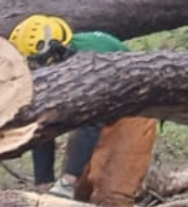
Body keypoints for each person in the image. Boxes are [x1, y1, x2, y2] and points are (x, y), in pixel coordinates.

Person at [10, 15, 129, 196]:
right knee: (81, 191)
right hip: (97, 110)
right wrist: (43, 183)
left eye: (38, 64)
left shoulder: (89, 61)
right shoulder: (58, 66)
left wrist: (68, 181)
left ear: (58, 51)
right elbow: (42, 123)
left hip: (132, 108)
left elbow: (92, 121)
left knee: (110, 190)